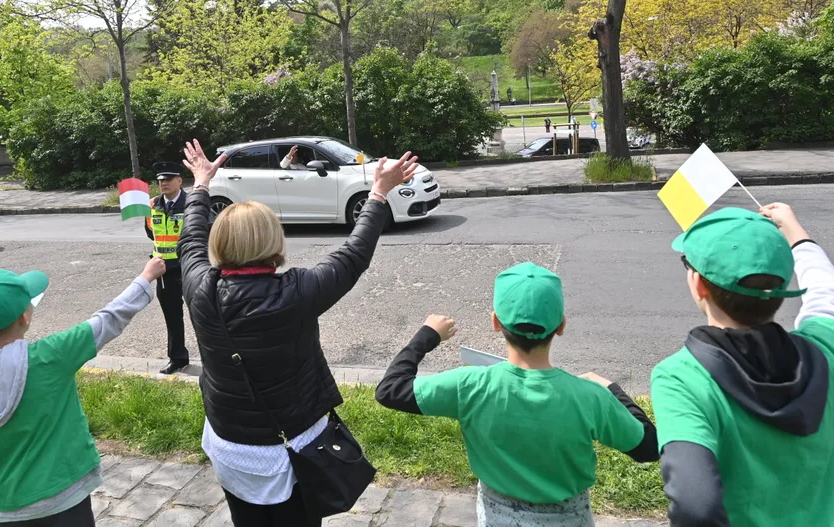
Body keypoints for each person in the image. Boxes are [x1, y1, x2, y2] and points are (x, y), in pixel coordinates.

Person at [179, 139, 418, 527]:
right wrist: (378, 192)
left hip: (229, 445)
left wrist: (202, 184)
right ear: (274, 239)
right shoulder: (296, 291)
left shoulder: (198, 285)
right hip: (289, 450)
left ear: (218, 241)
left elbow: (189, 237)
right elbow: (355, 254)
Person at [375, 263, 659, 527]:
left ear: (496, 322)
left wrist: (428, 334)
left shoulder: (469, 385)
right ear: (561, 325)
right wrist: (611, 389)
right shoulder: (590, 397)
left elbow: (390, 390)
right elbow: (648, 447)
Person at [651, 204, 834, 527]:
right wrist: (793, 229)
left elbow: (696, 507)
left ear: (699, 285)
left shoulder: (680, 379)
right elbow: (830, 296)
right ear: (782, 289)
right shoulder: (824, 352)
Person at [0, 257, 168, 527]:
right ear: (24, 316)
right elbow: (110, 318)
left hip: (12, 510)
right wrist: (145, 277)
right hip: (67, 500)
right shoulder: (51, 355)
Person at [145, 160, 191, 374]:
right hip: (164, 269)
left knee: (203, 315)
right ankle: (177, 358)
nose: (164, 183)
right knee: (172, 317)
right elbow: (150, 232)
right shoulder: (153, 204)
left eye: (168, 179)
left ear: (180, 181)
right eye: (161, 180)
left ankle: (214, 360)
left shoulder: (192, 203)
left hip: (189, 266)